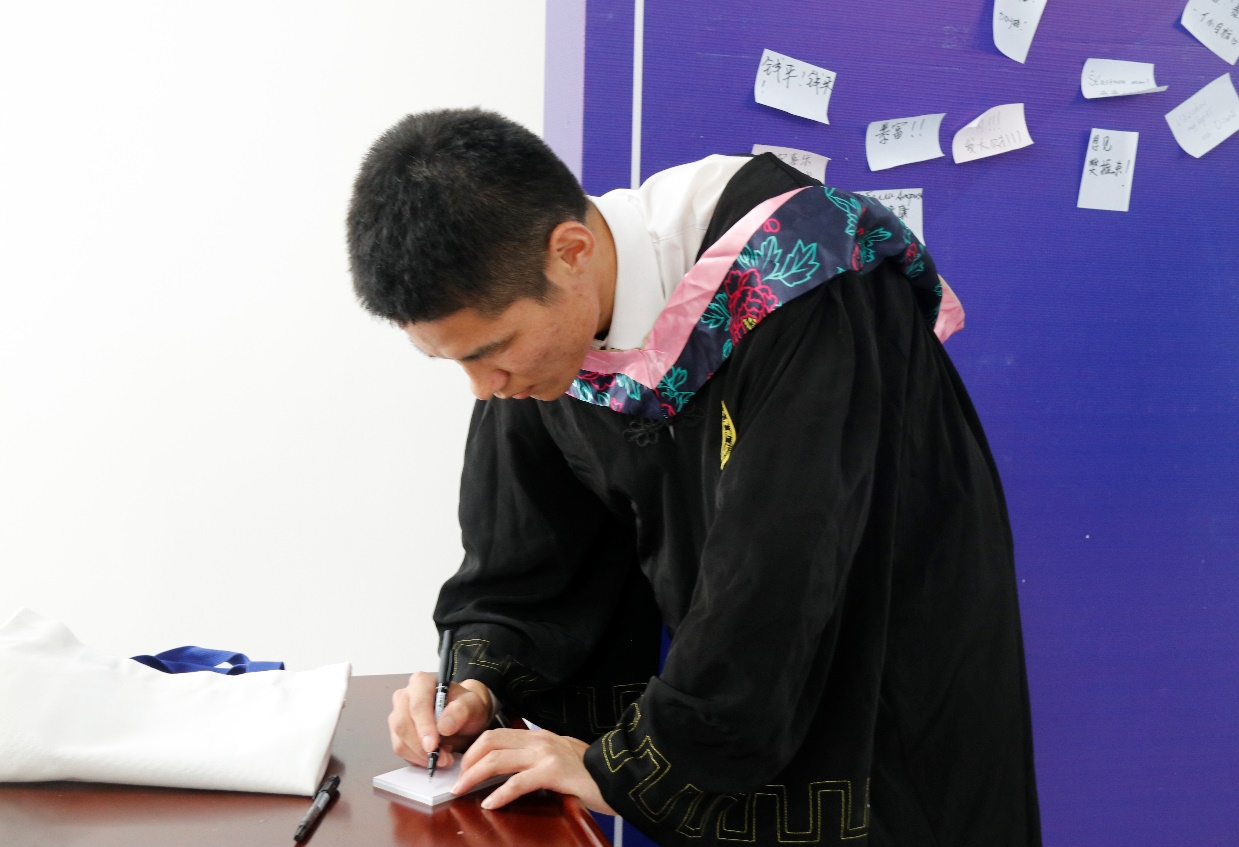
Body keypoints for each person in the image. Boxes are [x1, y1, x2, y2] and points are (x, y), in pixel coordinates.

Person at [347, 108, 1041, 847]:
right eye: (453, 361)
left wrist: (632, 768)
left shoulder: (799, 274)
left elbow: (781, 562)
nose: (483, 387)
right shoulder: (547, 340)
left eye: (492, 349)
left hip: (885, 686)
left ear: (570, 252)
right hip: (738, 688)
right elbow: (525, 550)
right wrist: (476, 687)